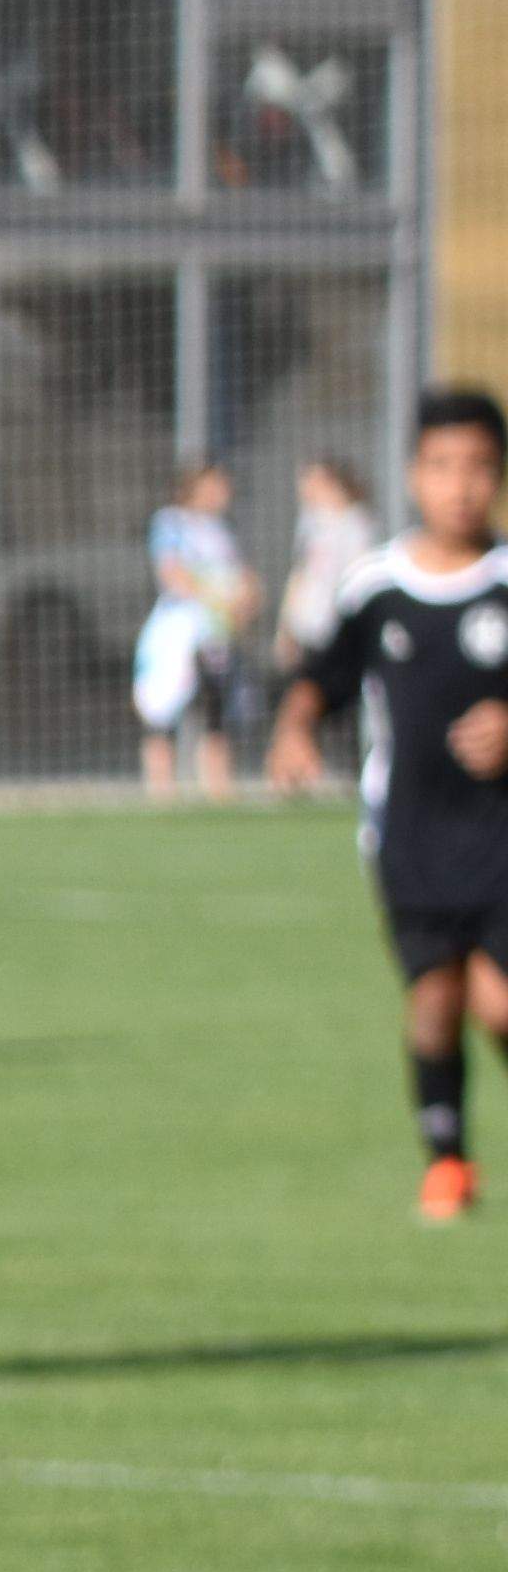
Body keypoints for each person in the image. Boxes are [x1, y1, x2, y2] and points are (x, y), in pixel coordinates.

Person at [266, 386, 508, 1226]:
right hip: (409, 836)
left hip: (503, 834)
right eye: (443, 466)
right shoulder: (379, 587)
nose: (461, 485)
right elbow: (321, 680)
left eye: (480, 467)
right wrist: (294, 732)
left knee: (500, 1001)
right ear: (413, 476)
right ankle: (447, 1159)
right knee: (436, 1001)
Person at [139, 458, 247, 801]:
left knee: (216, 705)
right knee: (163, 707)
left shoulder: (221, 532)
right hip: (181, 629)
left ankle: (217, 787)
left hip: (215, 632)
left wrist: (244, 599)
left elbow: (240, 579)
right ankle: (161, 789)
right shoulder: (171, 522)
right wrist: (216, 597)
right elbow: (172, 571)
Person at [276, 453, 380, 782]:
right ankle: (300, 769)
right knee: (302, 696)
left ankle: (350, 770)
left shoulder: (357, 523)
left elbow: (358, 578)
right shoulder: (311, 524)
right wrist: (286, 626)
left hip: (338, 627)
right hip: (309, 626)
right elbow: (301, 575)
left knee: (342, 699)